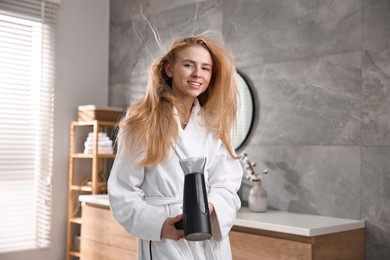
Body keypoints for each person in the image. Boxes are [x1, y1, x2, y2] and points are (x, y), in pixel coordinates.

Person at [108, 31, 243, 260]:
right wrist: (161, 225)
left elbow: (228, 184)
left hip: (209, 239)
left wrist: (209, 206)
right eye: (188, 65)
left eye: (205, 68)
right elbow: (122, 192)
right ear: (169, 69)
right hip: (167, 239)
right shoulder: (142, 122)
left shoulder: (212, 125)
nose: (197, 74)